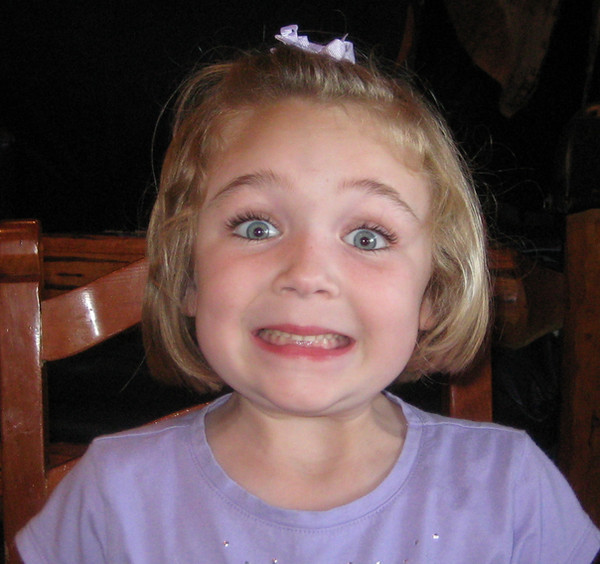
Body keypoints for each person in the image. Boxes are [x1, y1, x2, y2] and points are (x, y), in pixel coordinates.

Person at [16, 25, 600, 563]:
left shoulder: (511, 492)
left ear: (434, 293)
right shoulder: (109, 501)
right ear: (189, 275)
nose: (306, 273)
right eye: (257, 227)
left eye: (368, 237)